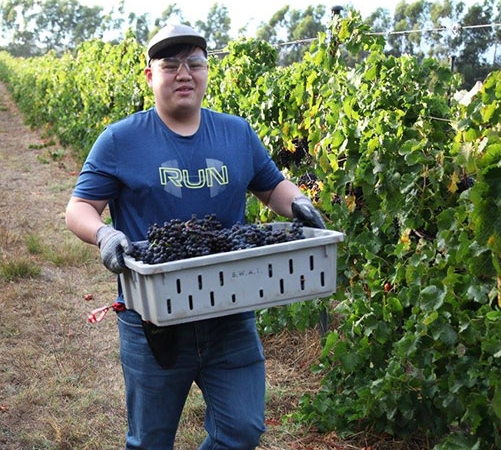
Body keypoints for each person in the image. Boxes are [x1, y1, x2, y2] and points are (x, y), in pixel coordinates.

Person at [64, 24, 326, 450]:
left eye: (194, 64)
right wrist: (104, 234)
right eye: (170, 65)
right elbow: (79, 208)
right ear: (150, 76)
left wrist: (298, 202)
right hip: (153, 318)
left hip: (230, 310)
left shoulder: (236, 133)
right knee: (150, 440)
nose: (183, 73)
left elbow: (270, 185)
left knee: (242, 429)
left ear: (207, 71)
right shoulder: (119, 140)